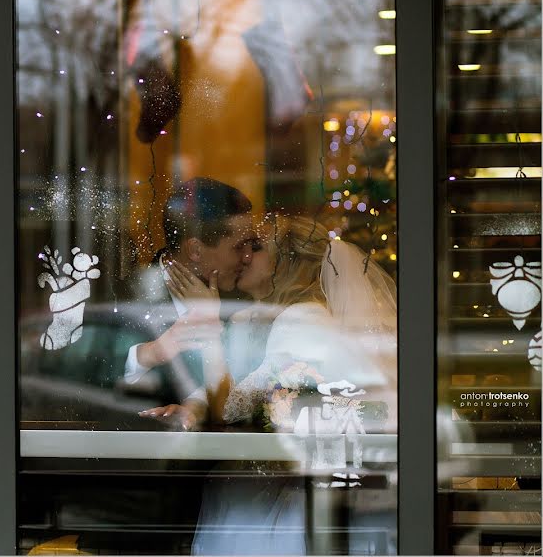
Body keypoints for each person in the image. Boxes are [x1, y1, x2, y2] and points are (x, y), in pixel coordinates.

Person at [154, 214, 397, 554]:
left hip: (274, 500)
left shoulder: (303, 322)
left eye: (257, 248)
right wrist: (193, 407)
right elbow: (236, 386)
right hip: (247, 488)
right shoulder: (260, 318)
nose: (245, 256)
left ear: (289, 263)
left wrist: (206, 322)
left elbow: (231, 408)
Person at [119, 177, 257, 428]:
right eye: (239, 246)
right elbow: (83, 376)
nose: (248, 257)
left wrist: (198, 407)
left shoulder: (246, 300)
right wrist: (147, 354)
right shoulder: (123, 296)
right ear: (195, 250)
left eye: (252, 244)